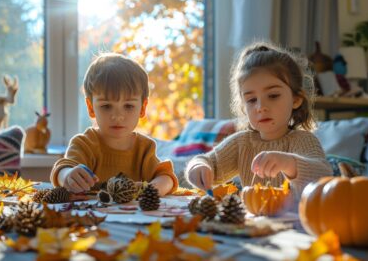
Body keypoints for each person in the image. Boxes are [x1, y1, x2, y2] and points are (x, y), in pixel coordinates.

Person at [185, 41, 332, 201]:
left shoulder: (303, 140)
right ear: (243, 106)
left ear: (296, 99)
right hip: (253, 224)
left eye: (273, 96)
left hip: (294, 223)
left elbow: (323, 176)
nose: (261, 107)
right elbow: (208, 162)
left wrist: (289, 164)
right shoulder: (242, 143)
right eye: (252, 100)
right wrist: (199, 167)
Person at [50, 53, 178, 196]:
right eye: (106, 106)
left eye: (128, 106)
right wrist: (67, 176)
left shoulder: (144, 148)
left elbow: (167, 177)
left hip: (135, 217)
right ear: (91, 107)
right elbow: (62, 169)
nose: (117, 116)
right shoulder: (85, 144)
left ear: (142, 108)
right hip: (90, 216)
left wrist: (151, 189)